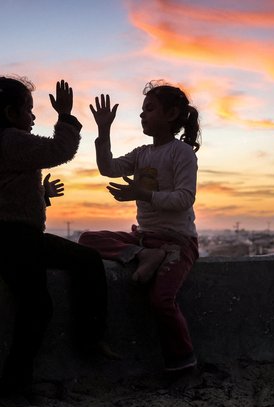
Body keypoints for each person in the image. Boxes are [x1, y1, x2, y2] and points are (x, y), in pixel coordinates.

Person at [0, 76, 116, 405]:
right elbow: (60, 150)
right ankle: (90, 339)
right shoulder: (12, 140)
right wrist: (66, 116)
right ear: (11, 113)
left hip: (1, 240)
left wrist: (42, 195)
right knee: (87, 262)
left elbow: (9, 196)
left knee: (36, 309)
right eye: (28, 109)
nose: (33, 116)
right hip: (17, 240)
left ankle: (14, 387)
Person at [78, 80, 201, 377]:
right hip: (145, 239)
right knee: (86, 239)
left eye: (149, 109)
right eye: (142, 110)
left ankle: (183, 361)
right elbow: (108, 168)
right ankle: (144, 255)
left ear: (171, 115)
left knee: (161, 300)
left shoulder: (181, 153)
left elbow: (185, 198)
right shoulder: (142, 153)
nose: (143, 115)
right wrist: (104, 130)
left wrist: (142, 194)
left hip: (177, 242)